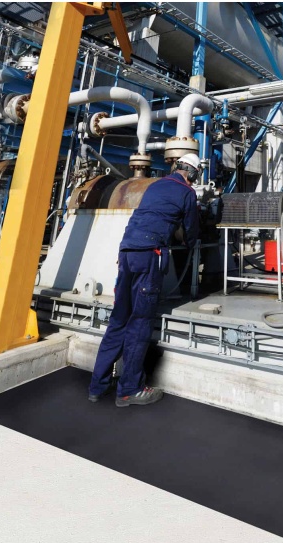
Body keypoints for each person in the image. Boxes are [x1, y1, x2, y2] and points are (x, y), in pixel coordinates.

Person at [88, 153, 202, 407]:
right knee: (140, 322)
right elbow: (191, 229)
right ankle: (130, 389)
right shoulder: (187, 192)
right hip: (149, 255)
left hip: (126, 251)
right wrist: (193, 244)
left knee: (119, 319)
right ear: (193, 174)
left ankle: (98, 385)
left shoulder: (155, 185)